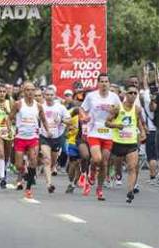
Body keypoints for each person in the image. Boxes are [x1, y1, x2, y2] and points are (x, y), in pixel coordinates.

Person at [80, 73, 121, 201]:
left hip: (108, 133)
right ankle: (92, 173)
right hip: (94, 131)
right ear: (98, 83)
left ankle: (99, 189)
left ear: (109, 83)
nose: (104, 84)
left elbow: (120, 110)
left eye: (106, 81)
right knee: (97, 159)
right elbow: (81, 109)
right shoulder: (91, 96)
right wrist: (84, 117)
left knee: (104, 163)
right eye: (101, 81)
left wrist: (116, 114)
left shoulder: (114, 97)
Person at [107, 83, 146, 204]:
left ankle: (130, 191)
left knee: (132, 167)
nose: (133, 95)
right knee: (113, 163)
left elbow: (139, 122)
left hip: (131, 142)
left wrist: (143, 132)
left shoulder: (137, 109)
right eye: (130, 93)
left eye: (135, 93)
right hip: (117, 142)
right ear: (125, 94)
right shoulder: (117, 108)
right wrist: (117, 125)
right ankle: (113, 174)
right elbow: (107, 123)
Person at [11, 82, 49, 199]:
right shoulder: (18, 104)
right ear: (23, 91)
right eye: (28, 90)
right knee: (18, 165)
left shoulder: (38, 106)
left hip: (33, 138)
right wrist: (10, 129)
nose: (30, 92)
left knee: (33, 161)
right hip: (20, 138)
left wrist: (48, 131)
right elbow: (9, 118)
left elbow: (43, 120)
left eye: (32, 90)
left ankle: (28, 188)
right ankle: (24, 171)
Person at [40, 85, 71, 194]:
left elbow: (69, 121)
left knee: (52, 162)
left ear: (55, 96)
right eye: (47, 95)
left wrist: (61, 120)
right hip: (44, 136)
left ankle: (53, 167)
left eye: (51, 95)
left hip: (57, 137)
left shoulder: (60, 107)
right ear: (44, 96)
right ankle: (49, 184)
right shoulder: (41, 107)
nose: (49, 97)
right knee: (47, 160)